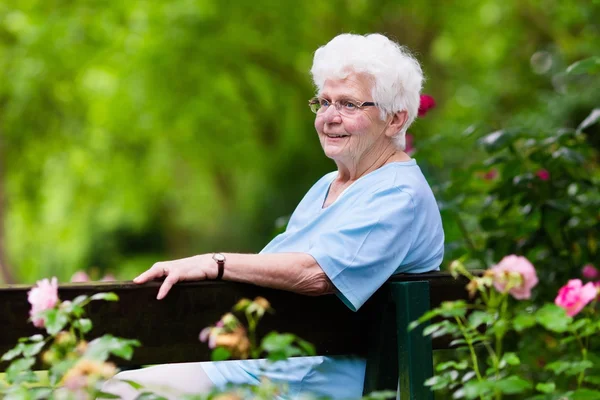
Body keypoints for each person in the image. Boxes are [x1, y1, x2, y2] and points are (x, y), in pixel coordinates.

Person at [102, 32, 444, 399]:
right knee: (103, 388)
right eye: (324, 102)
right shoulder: (330, 185)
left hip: (306, 385)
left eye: (348, 105)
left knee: (112, 391)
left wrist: (214, 263)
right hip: (265, 367)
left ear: (395, 120)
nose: (329, 117)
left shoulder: (398, 195)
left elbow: (317, 273)